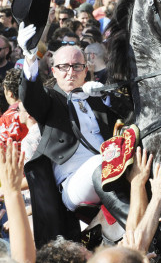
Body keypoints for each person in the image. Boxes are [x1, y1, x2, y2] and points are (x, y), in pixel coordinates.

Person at [18, 22, 122, 247]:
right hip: (73, 184)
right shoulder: (49, 99)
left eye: (77, 66)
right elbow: (30, 96)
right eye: (64, 66)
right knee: (102, 161)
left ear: (86, 70)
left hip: (110, 170)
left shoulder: (96, 97)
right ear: (53, 71)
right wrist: (29, 58)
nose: (70, 72)